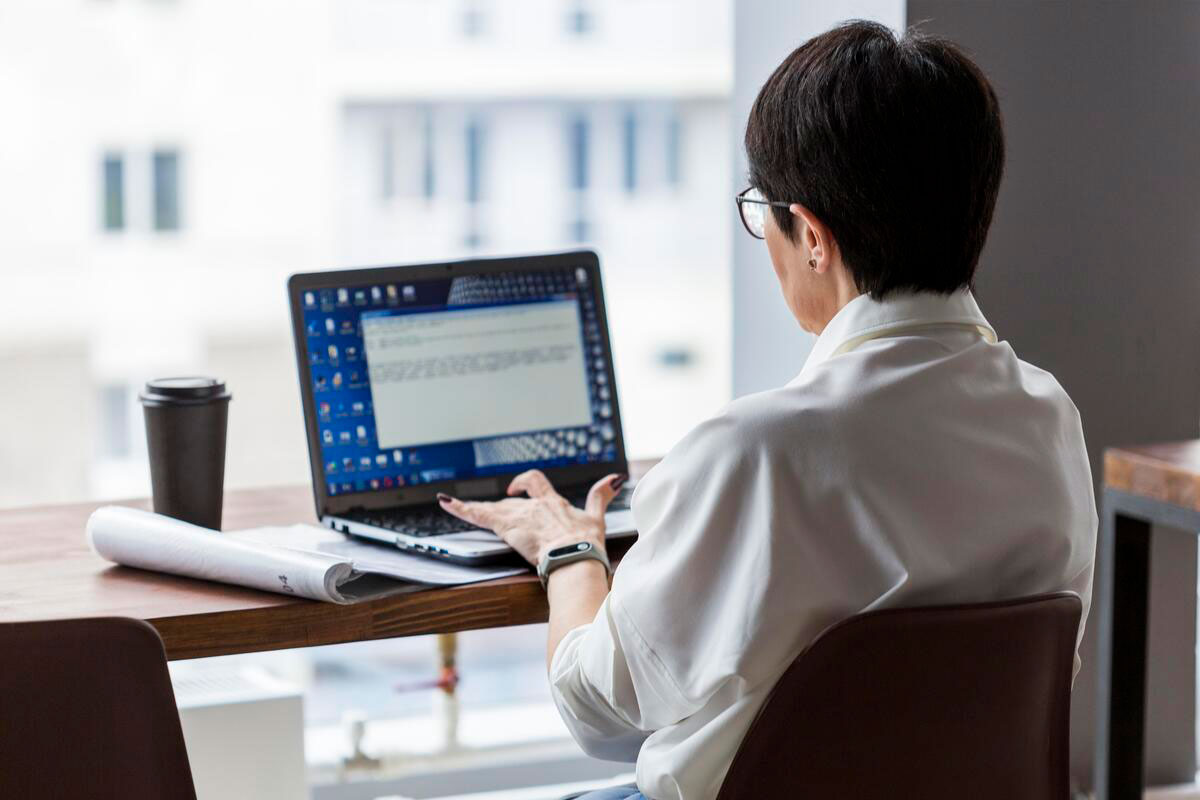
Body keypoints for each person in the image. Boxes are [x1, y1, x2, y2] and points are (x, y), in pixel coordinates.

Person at [437, 20, 1096, 800]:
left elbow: (597, 713)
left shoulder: (755, 450)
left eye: (764, 212)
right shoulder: (1047, 415)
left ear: (811, 235)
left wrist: (569, 556)